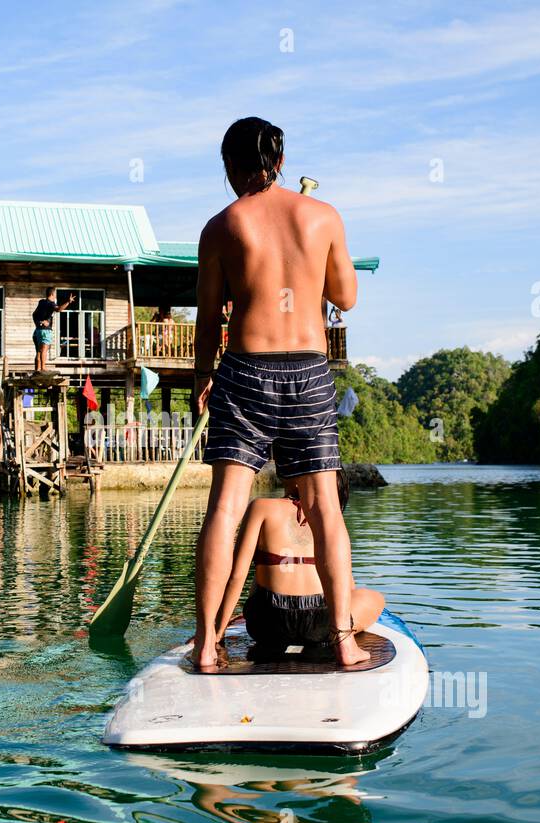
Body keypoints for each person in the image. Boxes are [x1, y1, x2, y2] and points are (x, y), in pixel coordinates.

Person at [191, 116, 360, 671]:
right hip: (308, 371)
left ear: (230, 168)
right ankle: (345, 640)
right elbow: (346, 296)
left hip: (243, 370)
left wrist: (201, 377)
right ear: (281, 162)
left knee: (226, 507)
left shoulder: (221, 226)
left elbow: (210, 318)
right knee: (325, 510)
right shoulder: (323, 216)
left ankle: (206, 645)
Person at [212, 470, 384, 664]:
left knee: (260, 572)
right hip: (320, 625)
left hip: (268, 623)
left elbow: (236, 576)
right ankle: (343, 638)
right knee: (374, 598)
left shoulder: (261, 507)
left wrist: (217, 634)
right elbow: (346, 586)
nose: (282, 466)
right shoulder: (330, 519)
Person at [32, 287, 75, 371]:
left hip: (37, 330)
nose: (56, 296)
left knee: (38, 351)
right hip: (45, 330)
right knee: (44, 349)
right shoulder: (51, 303)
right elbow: (58, 309)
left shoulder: (41, 302)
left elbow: (34, 314)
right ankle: (43, 368)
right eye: (55, 294)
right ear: (52, 294)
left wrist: (39, 322)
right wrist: (68, 302)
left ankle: (37, 369)